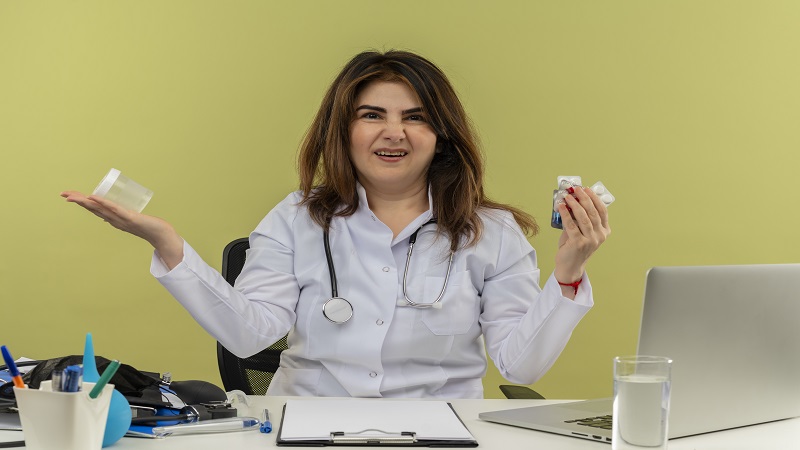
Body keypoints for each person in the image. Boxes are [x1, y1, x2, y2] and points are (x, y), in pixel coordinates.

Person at [61, 49, 611, 398]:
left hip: (443, 431)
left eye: (415, 118)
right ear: (342, 130)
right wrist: (169, 244)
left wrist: (568, 270)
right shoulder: (297, 216)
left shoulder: (490, 231)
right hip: (304, 426)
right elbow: (247, 331)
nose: (393, 133)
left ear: (441, 134)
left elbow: (521, 366)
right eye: (372, 115)